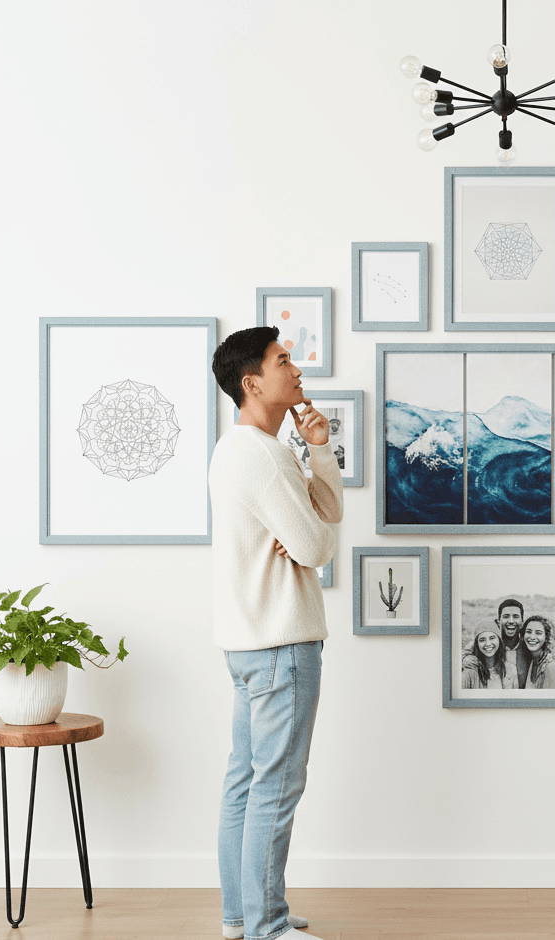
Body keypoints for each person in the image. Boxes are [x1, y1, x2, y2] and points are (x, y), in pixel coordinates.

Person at [209, 325, 343, 940]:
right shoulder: (260, 455)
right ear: (251, 381)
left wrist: (317, 449)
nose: (296, 369)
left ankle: (243, 914)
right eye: (282, 360)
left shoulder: (240, 448)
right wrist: (308, 532)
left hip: (247, 641)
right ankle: (269, 926)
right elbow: (318, 545)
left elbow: (321, 520)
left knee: (245, 780)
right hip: (282, 642)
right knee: (276, 786)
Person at [461, 621, 516, 689]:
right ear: (476, 644)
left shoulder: (511, 669)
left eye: (492, 638)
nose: (488, 644)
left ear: (499, 640)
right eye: (482, 640)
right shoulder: (470, 671)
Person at [495, 598, 531, 688]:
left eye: (515, 616)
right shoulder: (490, 646)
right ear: (498, 621)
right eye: (506, 616)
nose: (511, 621)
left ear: (522, 622)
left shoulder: (529, 647)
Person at [521, 615, 555, 689]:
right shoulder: (532, 661)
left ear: (546, 637)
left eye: (538, 633)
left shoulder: (551, 667)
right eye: (528, 632)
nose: (532, 637)